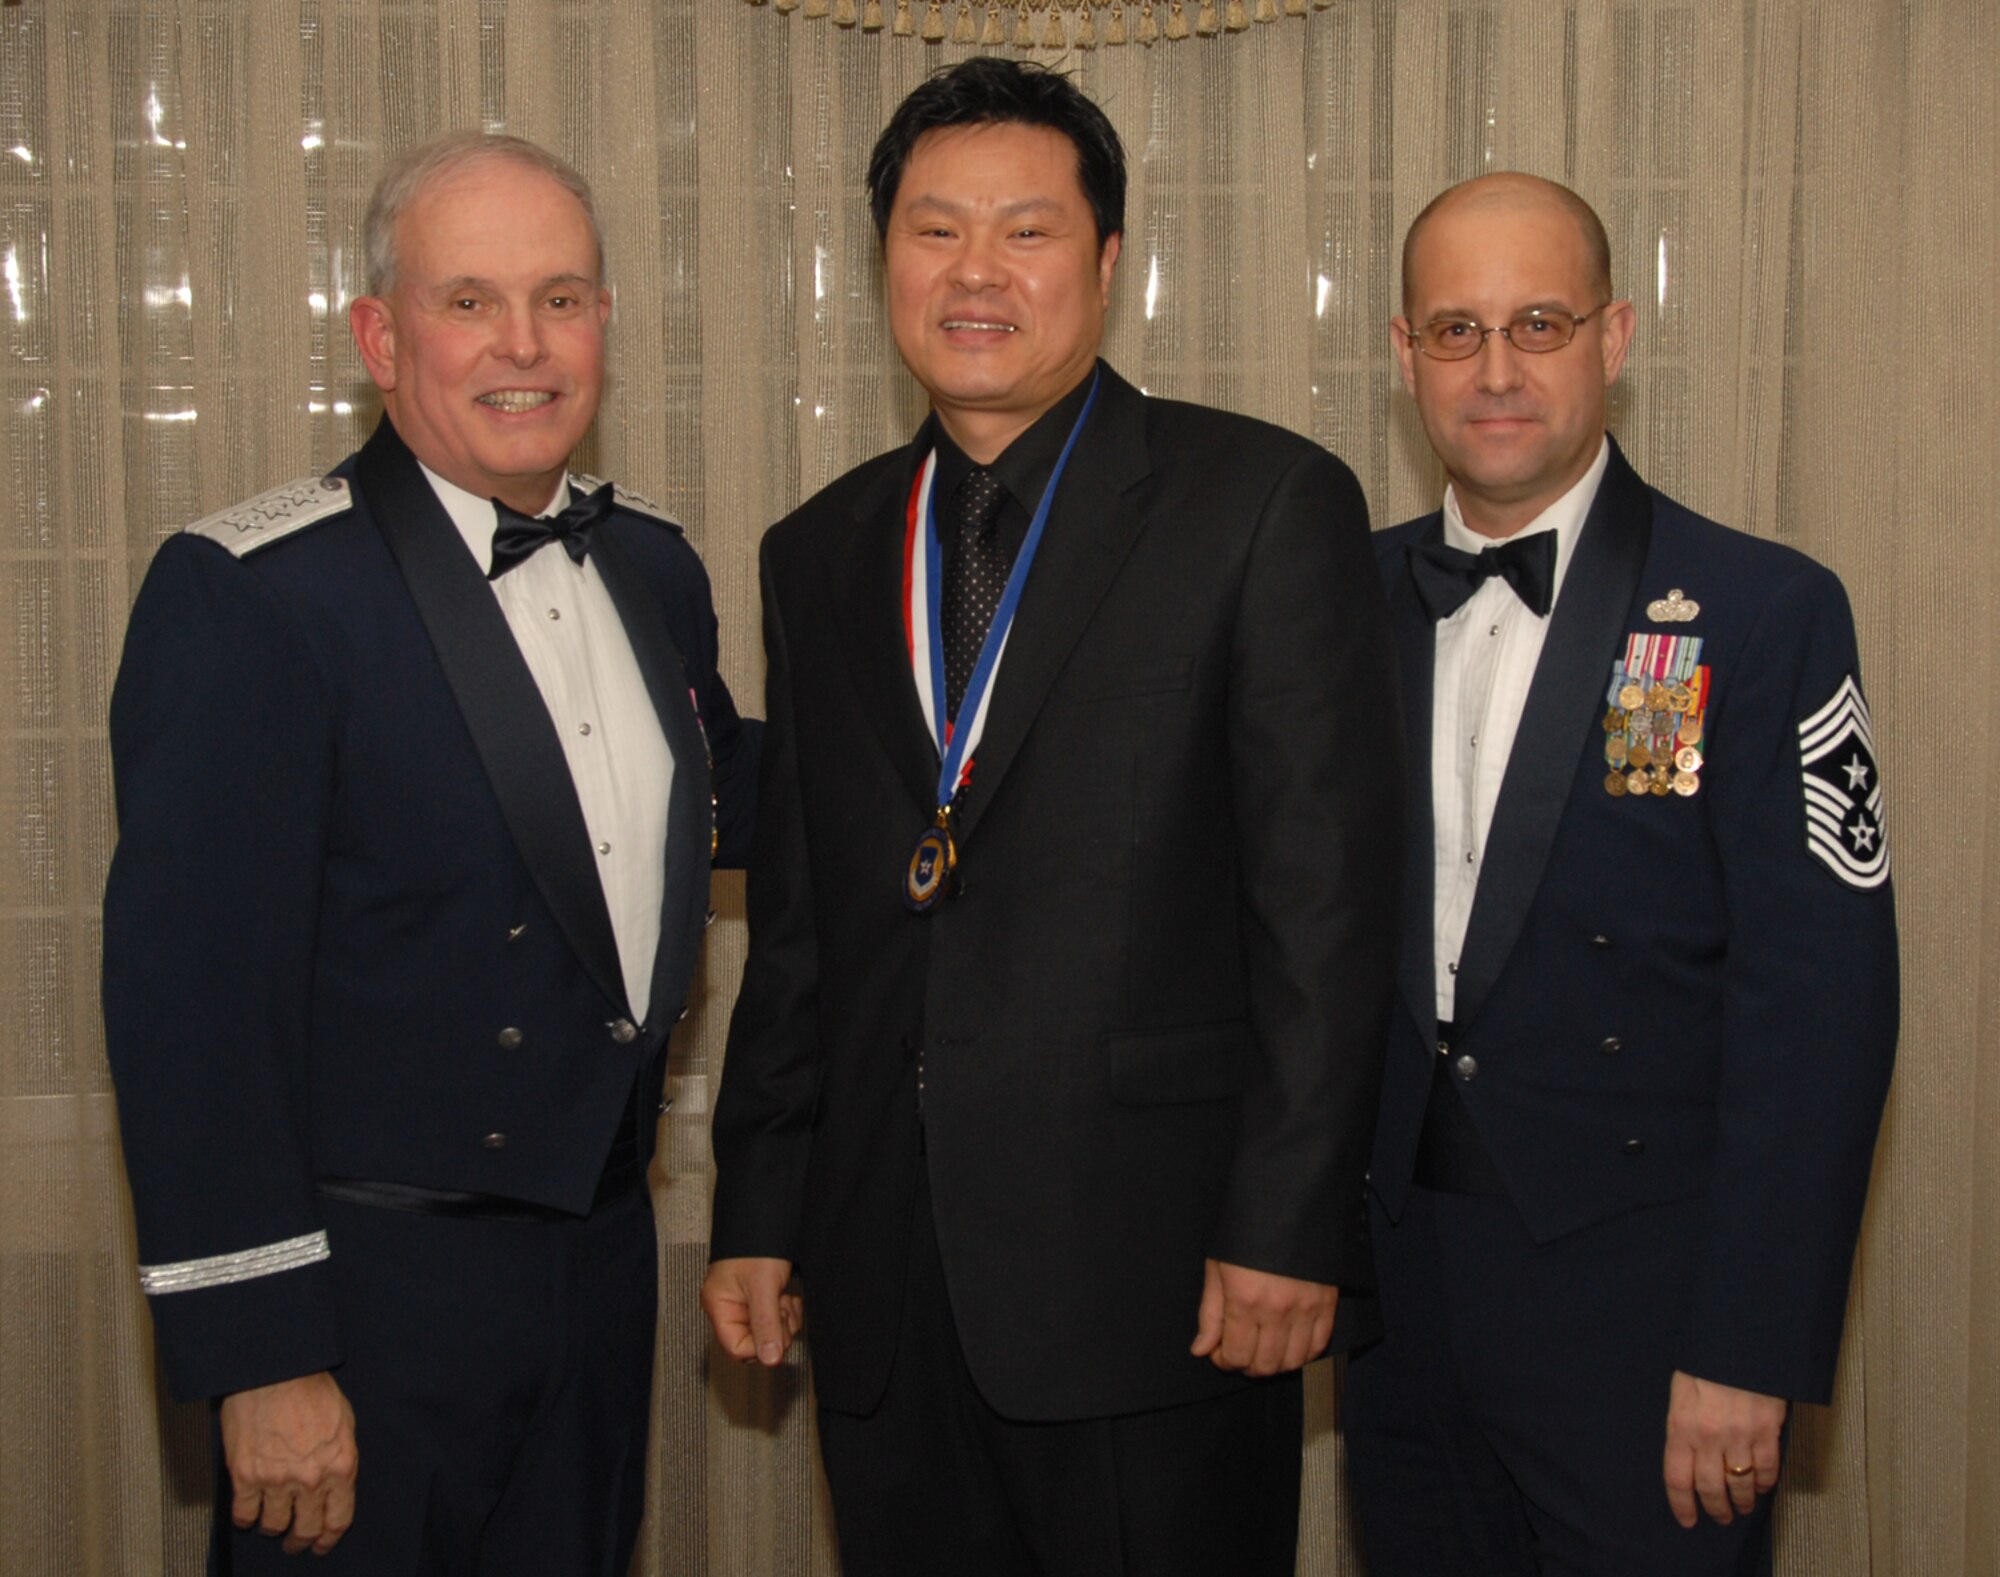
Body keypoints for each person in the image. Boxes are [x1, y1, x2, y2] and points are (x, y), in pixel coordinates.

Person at [700, 57, 1401, 1577]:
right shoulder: (819, 550)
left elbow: (1328, 910)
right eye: (934, 230)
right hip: (882, 1269)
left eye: (1024, 230)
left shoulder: (1261, 503)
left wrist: (1289, 1223)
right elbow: (808, 923)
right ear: (881, 258)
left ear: (1106, 263)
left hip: (1162, 1282)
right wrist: (760, 1203)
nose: (975, 272)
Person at [101, 131, 755, 1573]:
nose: (523, 344)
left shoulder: (653, 564)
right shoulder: (257, 596)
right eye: (469, 302)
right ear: (382, 339)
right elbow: (194, 1015)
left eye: (563, 298)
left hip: (597, 1268)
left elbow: (709, 805)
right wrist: (261, 1355)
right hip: (364, 1301)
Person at [1342, 171, 1899, 1576]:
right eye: (1457, 330)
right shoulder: (1333, 603)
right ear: (1404, 355)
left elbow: (1819, 1012)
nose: (1500, 368)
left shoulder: (1763, 610)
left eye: (1539, 320)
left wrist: (1747, 1347)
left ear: (1616, 335)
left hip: (1650, 1322)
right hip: (1398, 1310)